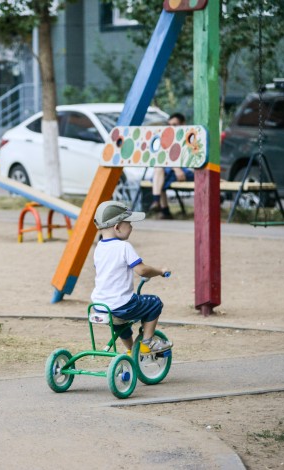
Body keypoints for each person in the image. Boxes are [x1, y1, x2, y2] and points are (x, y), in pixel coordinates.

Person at [91, 201, 172, 354]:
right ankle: (147, 342)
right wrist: (160, 271)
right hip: (121, 305)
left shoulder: (99, 248)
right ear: (117, 227)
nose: (131, 226)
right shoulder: (124, 247)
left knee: (121, 324)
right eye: (128, 223)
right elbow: (142, 270)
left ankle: (130, 351)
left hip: (99, 306)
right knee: (154, 303)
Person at [149, 112, 193, 219]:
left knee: (159, 177)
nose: (171, 127)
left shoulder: (191, 137)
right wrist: (176, 168)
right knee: (159, 169)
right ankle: (158, 203)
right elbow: (165, 157)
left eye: (175, 125)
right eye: (169, 125)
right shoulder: (170, 138)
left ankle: (162, 207)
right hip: (175, 171)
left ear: (183, 124)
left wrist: (177, 169)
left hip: (189, 171)